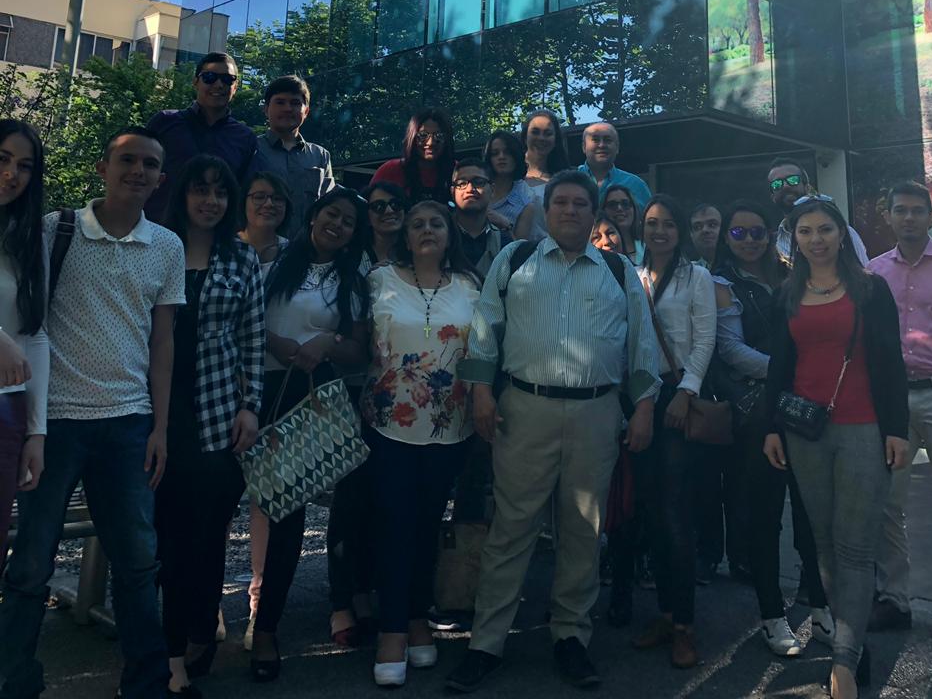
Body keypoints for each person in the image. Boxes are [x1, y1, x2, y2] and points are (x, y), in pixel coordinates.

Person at [447, 171, 660, 692]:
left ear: (594, 215)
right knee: (511, 529)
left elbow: (642, 342)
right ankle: (486, 643)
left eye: (580, 203)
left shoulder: (617, 269)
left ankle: (571, 637)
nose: (569, 210)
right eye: (560, 202)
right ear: (546, 211)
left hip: (597, 413)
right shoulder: (515, 259)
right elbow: (485, 328)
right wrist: (480, 391)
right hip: (525, 409)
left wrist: (646, 407)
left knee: (583, 532)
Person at [0, 127, 183, 699]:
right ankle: (14, 678)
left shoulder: (167, 246)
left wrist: (160, 425)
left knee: (137, 561)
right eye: (127, 160)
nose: (138, 171)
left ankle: (146, 683)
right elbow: (28, 323)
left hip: (127, 422)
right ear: (102, 167)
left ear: (160, 178)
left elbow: (163, 341)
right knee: (30, 563)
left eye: (150, 164)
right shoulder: (54, 230)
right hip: (52, 422)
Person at [763, 198, 909, 699]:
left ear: (842, 234)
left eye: (825, 229)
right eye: (805, 231)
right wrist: (770, 429)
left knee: (856, 546)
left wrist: (897, 429)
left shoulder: (871, 290)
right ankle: (851, 640)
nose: (816, 239)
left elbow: (891, 362)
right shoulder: (786, 294)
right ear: (795, 239)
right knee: (823, 547)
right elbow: (778, 370)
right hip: (806, 434)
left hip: (864, 429)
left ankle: (844, 659)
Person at [155, 156, 263, 694]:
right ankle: (167, 649)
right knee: (166, 540)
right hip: (155, 414)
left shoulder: (241, 257)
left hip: (218, 416)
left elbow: (252, 338)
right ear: (183, 194)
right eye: (200, 190)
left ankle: (199, 629)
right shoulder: (155, 246)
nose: (210, 201)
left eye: (221, 193)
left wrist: (251, 406)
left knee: (205, 537)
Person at [361, 202, 480, 687]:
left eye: (435, 223)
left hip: (451, 427)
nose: (427, 230)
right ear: (405, 235)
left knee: (429, 523)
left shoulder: (470, 287)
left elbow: (483, 352)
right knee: (395, 523)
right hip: (389, 424)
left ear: (449, 234)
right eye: (417, 224)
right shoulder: (379, 279)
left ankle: (415, 617)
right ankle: (391, 628)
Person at [253, 188, 371, 679]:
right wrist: (271, 340)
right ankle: (218, 621)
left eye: (348, 222)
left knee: (297, 513)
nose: (338, 224)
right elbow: (236, 315)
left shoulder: (354, 279)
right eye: (331, 214)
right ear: (314, 214)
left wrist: (326, 342)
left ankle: (270, 629)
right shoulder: (271, 258)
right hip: (253, 390)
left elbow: (361, 351)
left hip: (310, 396)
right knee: (240, 509)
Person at [710, 200, 832, 656]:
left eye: (757, 232)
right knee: (764, 516)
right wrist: (791, 371)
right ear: (727, 238)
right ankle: (771, 615)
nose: (749, 240)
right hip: (761, 415)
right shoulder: (721, 284)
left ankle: (820, 607)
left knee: (810, 514)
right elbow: (732, 351)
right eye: (739, 233)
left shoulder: (792, 276)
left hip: (805, 413)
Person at [868, 181, 932, 649]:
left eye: (916, 211)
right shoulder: (872, 273)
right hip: (891, 400)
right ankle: (894, 599)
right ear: (888, 216)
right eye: (899, 210)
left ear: (931, 217)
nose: (908, 218)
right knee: (888, 503)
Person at [631, 195, 717, 669]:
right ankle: (664, 613)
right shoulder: (631, 272)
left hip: (677, 398)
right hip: (640, 399)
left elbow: (705, 340)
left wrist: (687, 390)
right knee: (650, 511)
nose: (658, 231)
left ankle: (685, 625)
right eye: (651, 223)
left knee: (675, 514)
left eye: (667, 224)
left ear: (680, 230)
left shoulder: (695, 276)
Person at [236, 170, 292, 648]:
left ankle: (259, 606)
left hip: (276, 385)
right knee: (210, 504)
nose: (267, 204)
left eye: (276, 198)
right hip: (217, 385)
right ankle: (203, 606)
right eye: (259, 195)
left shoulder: (296, 255)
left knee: (266, 503)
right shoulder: (220, 249)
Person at [0, 121, 47, 569]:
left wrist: (36, 432)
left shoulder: (27, 241)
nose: (12, 174)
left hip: (6, 411)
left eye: (25, 166)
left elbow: (35, 334)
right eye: (3, 159)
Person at [145, 53, 258, 223]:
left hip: (213, 238)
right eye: (209, 77)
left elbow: (244, 193)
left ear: (235, 87)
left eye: (228, 79)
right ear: (195, 81)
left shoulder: (244, 138)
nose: (219, 84)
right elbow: (141, 173)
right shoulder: (164, 122)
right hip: (158, 230)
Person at [254, 75, 335, 234]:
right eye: (280, 102)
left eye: (295, 103)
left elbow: (328, 207)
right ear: (266, 109)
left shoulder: (320, 156)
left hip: (305, 251)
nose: (287, 108)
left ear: (306, 111)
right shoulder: (251, 149)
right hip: (259, 250)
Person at [766, 160, 868, 266]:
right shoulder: (772, 244)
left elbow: (863, 274)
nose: (786, 186)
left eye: (793, 180)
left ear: (808, 188)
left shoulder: (842, 232)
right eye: (777, 184)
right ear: (773, 197)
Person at [370, 108, 456, 204]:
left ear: (447, 139)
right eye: (423, 135)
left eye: (439, 135)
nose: (430, 142)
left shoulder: (458, 172)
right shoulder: (390, 170)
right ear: (412, 137)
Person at [451, 158, 508, 281]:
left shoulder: (505, 242)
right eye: (461, 183)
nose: (470, 189)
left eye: (478, 182)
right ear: (452, 191)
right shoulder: (440, 236)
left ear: (492, 190)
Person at [578, 122, 651, 210]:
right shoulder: (569, 180)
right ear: (583, 147)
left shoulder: (636, 185)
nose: (601, 145)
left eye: (607, 140)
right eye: (596, 140)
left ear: (617, 148)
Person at [483, 131, 538, 239]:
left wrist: (505, 225)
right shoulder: (475, 190)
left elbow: (519, 250)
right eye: (495, 153)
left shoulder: (525, 203)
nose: (501, 157)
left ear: (516, 156)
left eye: (507, 152)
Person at [520, 109, 568, 191]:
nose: (541, 138)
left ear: (556, 140)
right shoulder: (509, 173)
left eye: (548, 133)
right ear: (525, 137)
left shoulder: (567, 179)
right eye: (535, 132)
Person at [365, 182, 409, 266]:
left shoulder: (417, 252)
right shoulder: (354, 255)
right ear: (367, 217)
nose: (389, 211)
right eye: (379, 206)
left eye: (396, 204)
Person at [602, 186, 644, 268]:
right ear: (603, 210)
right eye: (612, 205)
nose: (619, 208)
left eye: (625, 204)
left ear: (634, 208)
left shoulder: (648, 245)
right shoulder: (600, 247)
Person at [689, 203, 721, 267]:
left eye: (712, 225)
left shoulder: (743, 267)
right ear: (691, 235)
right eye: (697, 227)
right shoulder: (687, 273)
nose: (705, 230)